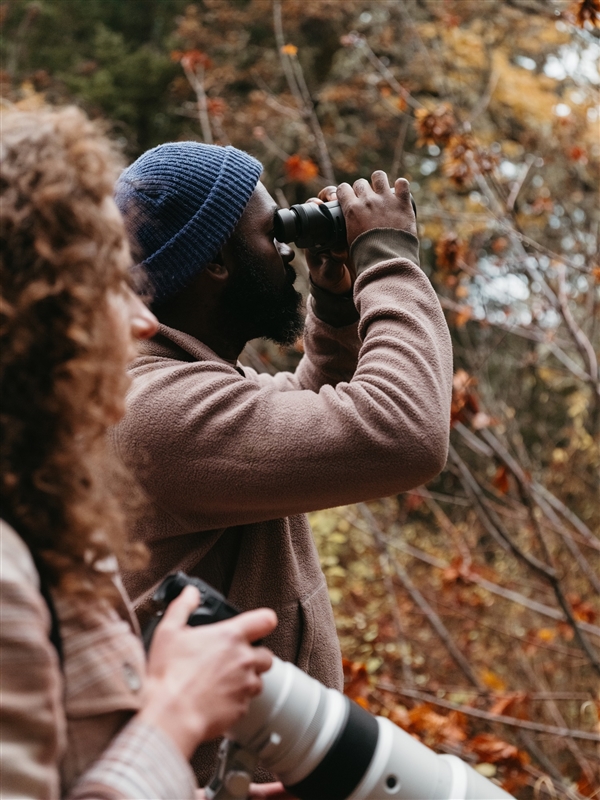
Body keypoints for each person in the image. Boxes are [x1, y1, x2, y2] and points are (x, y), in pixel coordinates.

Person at [113, 141, 453, 783]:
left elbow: (298, 413)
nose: (288, 250)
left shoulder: (178, 385)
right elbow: (404, 432)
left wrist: (332, 300)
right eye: (272, 234)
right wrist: (387, 258)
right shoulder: (155, 410)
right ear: (216, 261)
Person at [0, 108, 282, 800]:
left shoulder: (47, 525)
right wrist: (175, 718)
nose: (142, 321)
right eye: (107, 287)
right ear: (28, 318)